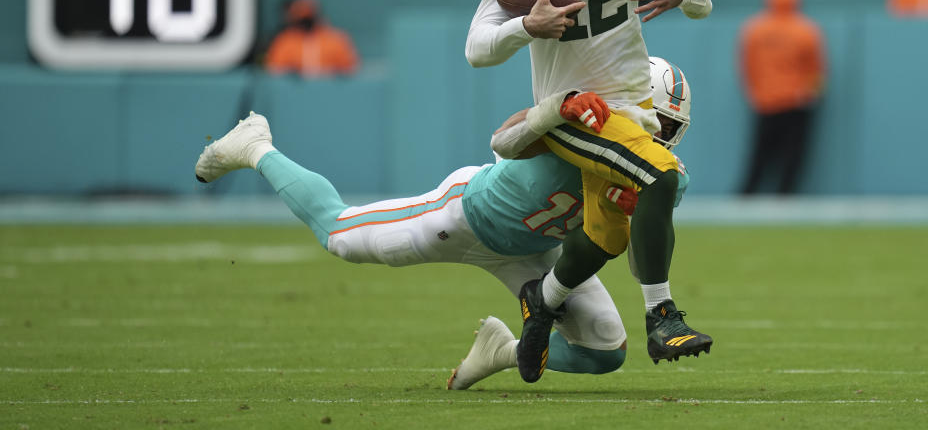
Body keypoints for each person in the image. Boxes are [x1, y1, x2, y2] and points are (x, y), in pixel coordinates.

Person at [194, 57, 695, 390]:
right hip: (464, 216)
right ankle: (255, 144)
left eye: (671, 129)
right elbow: (504, 138)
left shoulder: (661, 177)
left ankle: (500, 351)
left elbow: (627, 249)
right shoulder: (585, 120)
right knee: (339, 236)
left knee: (605, 350)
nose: (662, 136)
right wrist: (553, 110)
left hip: (540, 257)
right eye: (658, 122)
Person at [464, 0, 713, 382]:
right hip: (571, 107)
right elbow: (477, 49)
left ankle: (543, 299)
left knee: (609, 232)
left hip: (632, 102)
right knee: (661, 177)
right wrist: (526, 27)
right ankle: (661, 315)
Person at [739, 0, 826, 195]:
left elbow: (747, 66)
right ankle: (785, 195)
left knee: (760, 154)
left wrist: (755, 93)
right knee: (793, 155)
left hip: (764, 101)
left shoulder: (755, 30)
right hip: (796, 102)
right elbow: (816, 69)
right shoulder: (806, 30)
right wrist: (812, 94)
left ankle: (747, 195)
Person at [264, 0, 360, 77]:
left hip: (330, 92)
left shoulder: (335, 39)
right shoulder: (285, 41)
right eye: (302, 18)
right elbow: (275, 70)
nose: (306, 22)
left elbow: (350, 69)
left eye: (309, 17)